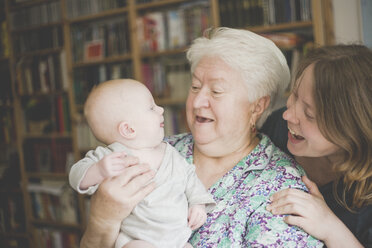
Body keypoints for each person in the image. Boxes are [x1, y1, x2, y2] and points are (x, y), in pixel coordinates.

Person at [79, 27, 325, 247]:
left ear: (257, 106)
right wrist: (103, 219)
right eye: (195, 86)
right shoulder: (158, 150)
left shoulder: (281, 188)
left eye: (216, 91)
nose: (197, 101)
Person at [69, 79, 216, 248]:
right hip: (139, 240)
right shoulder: (112, 156)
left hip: (179, 240)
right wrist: (99, 170)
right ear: (129, 129)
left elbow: (190, 178)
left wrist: (198, 203)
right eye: (151, 107)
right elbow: (75, 175)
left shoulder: (171, 152)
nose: (161, 109)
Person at [263, 44, 372, 247]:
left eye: (309, 115)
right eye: (294, 95)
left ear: (349, 131)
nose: (288, 115)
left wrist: (331, 228)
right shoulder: (277, 128)